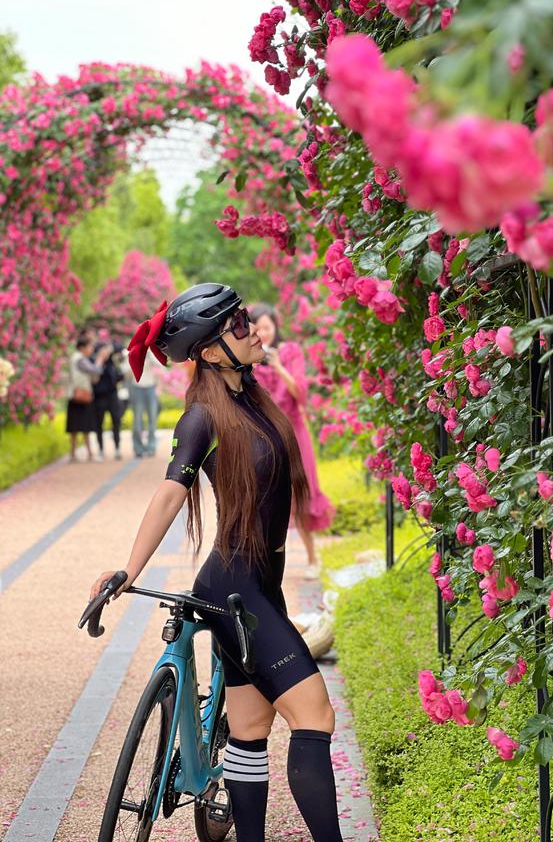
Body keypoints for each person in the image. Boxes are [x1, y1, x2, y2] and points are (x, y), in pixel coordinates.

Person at [89, 284, 345, 842]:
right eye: (236, 325)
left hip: (256, 585)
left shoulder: (251, 400)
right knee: (315, 715)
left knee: (251, 729)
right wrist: (128, 572)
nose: (251, 328)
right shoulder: (202, 418)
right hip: (237, 591)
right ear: (207, 351)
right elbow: (169, 494)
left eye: (246, 317)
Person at [250, 304, 335, 580]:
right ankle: (268, 566)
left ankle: (313, 557)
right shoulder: (249, 358)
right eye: (257, 329)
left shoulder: (290, 352)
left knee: (302, 494)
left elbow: (300, 394)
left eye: (267, 327)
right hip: (266, 436)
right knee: (269, 498)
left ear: (275, 325)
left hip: (295, 434)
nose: (263, 333)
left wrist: (278, 367)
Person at [66, 335, 112, 462]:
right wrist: (100, 359)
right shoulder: (79, 359)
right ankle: (86, 454)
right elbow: (95, 370)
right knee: (82, 426)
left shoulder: (77, 358)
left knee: (76, 427)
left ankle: (76, 454)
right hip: (80, 395)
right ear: (82, 347)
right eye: (89, 346)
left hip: (77, 396)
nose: (91, 349)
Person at [92, 331, 124, 460]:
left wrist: (110, 349)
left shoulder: (111, 361)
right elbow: (93, 378)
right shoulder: (95, 362)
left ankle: (117, 448)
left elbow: (120, 348)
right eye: (102, 351)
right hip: (99, 397)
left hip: (112, 395)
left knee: (116, 421)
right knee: (99, 423)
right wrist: (99, 361)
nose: (104, 353)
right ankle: (100, 449)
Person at [128, 348, 160, 458]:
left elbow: (160, 364)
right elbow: (126, 369)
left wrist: (149, 355)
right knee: (137, 420)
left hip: (150, 387)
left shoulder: (151, 353)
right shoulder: (133, 351)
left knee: (152, 419)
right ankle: (138, 448)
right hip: (137, 388)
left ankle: (151, 447)